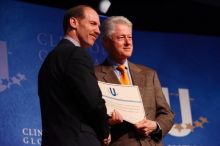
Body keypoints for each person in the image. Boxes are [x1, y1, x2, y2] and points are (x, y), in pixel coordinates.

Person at [95, 16, 174, 146]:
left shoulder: (149, 74)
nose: (128, 42)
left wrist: (155, 125)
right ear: (106, 42)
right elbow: (88, 119)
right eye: (121, 38)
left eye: (130, 37)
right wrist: (108, 123)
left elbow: (166, 113)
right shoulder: (94, 75)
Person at [38, 5, 111, 146]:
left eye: (99, 26)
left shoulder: (51, 59)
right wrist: (105, 130)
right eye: (93, 24)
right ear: (74, 23)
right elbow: (94, 102)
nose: (98, 31)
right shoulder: (76, 54)